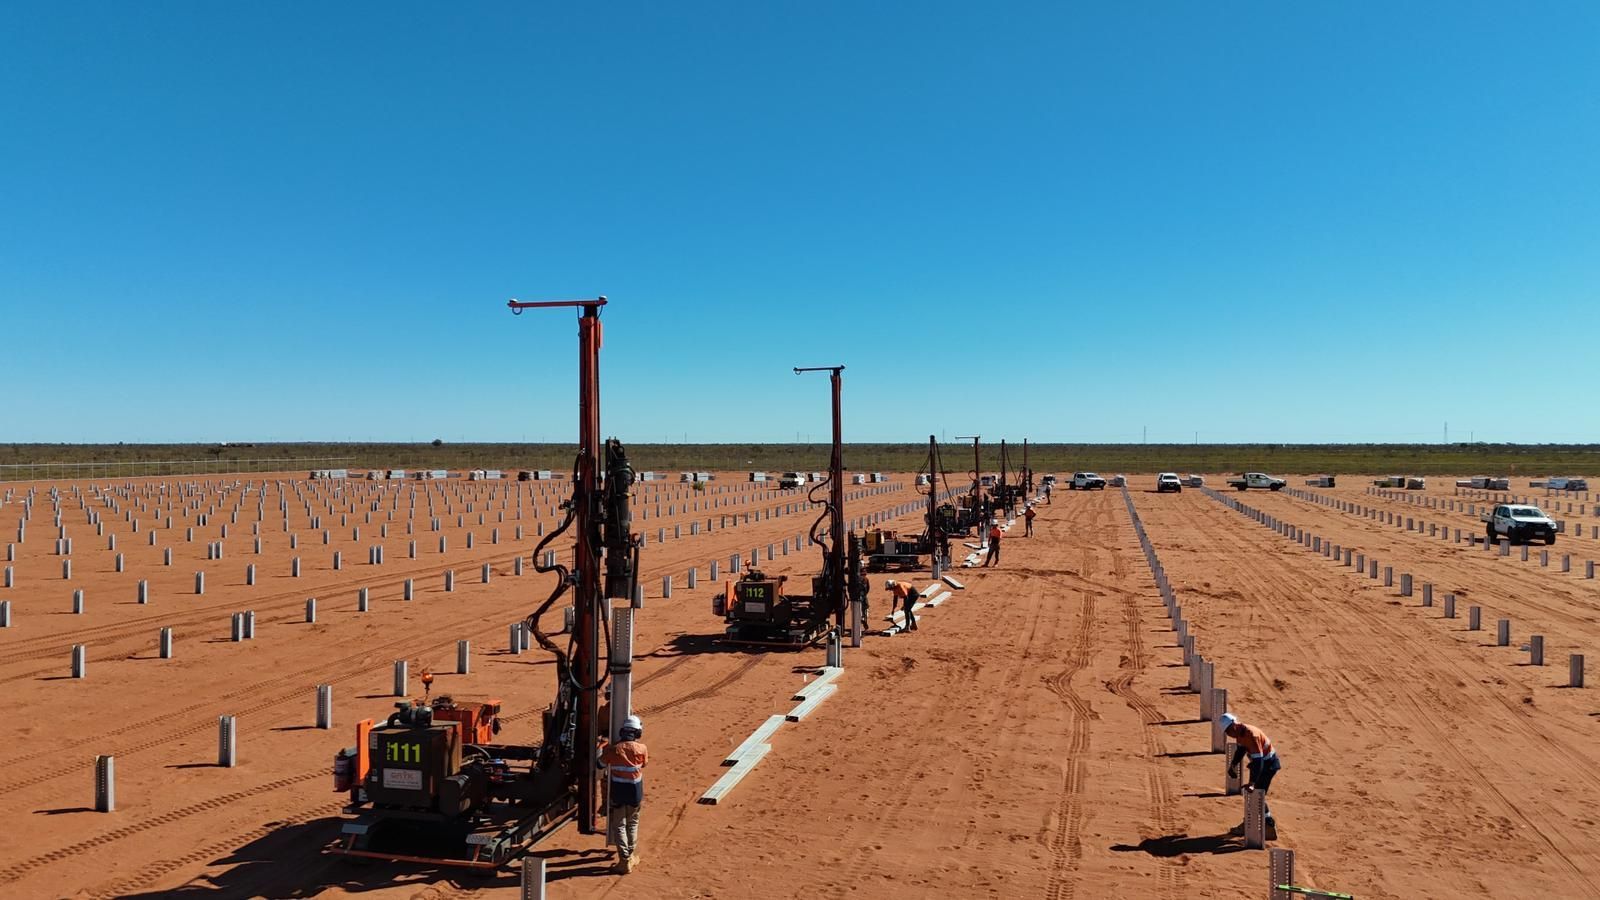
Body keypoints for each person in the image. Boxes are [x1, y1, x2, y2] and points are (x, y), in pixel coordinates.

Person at [599, 714, 649, 873]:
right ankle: (631, 856)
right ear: (637, 733)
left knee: (619, 825)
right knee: (633, 823)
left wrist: (604, 749)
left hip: (618, 792)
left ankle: (624, 860)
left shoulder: (614, 749)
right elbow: (645, 764)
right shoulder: (642, 748)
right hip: (635, 792)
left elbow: (599, 764)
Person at [1221, 712, 1280, 839]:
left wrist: (1252, 783)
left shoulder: (1251, 735)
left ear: (1234, 726)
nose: (1228, 735)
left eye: (1228, 731)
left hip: (1267, 765)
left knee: (1257, 794)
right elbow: (1241, 750)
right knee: (1257, 795)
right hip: (1261, 764)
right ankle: (1264, 824)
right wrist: (1233, 765)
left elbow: (1259, 762)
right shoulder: (1240, 733)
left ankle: (1266, 825)